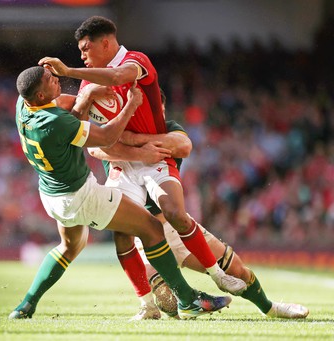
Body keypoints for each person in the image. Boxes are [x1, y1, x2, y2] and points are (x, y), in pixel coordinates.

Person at [38, 16, 247, 301]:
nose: (82, 55)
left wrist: (67, 71)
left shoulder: (136, 62)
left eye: (86, 48)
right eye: (80, 51)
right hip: (125, 176)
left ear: (106, 43)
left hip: (158, 186)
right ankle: (149, 302)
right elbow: (90, 142)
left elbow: (182, 146)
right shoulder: (89, 84)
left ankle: (232, 287)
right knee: (124, 234)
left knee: (187, 227)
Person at [9, 65, 232, 320]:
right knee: (151, 229)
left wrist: (90, 95)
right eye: (50, 79)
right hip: (82, 196)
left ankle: (26, 304)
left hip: (52, 196)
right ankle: (187, 298)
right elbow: (105, 136)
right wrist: (131, 105)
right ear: (39, 96)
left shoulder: (23, 104)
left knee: (68, 248)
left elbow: (66, 106)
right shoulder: (54, 123)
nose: (56, 79)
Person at [88, 90, 309, 320]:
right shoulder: (111, 132)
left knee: (237, 272)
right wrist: (130, 145)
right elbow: (94, 146)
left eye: (157, 110)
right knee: (166, 299)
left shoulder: (169, 129)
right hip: (143, 233)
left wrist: (132, 143)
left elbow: (183, 146)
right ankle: (178, 305)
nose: (155, 115)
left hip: (175, 225)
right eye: (148, 110)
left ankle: (270, 307)